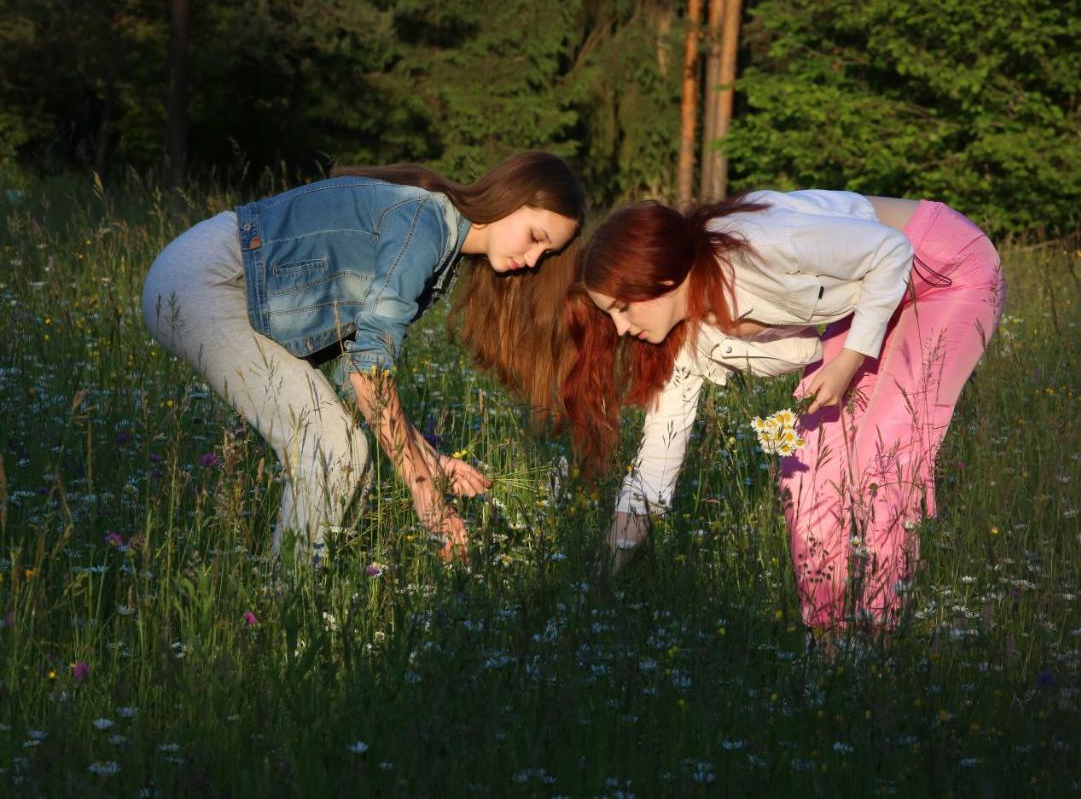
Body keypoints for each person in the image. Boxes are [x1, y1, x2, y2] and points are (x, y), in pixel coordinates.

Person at [561, 190, 1005, 643]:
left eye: (621, 307)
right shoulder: (683, 343)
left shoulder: (757, 245)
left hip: (945, 269)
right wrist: (599, 579)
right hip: (872, 299)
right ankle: (829, 642)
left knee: (882, 453)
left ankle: (878, 640)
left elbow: (891, 251)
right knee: (806, 471)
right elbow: (654, 471)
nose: (618, 328)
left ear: (660, 275)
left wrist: (848, 362)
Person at [142, 152, 586, 561]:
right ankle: (281, 605)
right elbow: (368, 370)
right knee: (334, 449)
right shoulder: (425, 224)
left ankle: (295, 597)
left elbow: (359, 366)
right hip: (212, 277)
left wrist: (429, 458)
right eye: (535, 237)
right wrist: (426, 495)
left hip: (227, 280)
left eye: (545, 253)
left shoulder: (438, 238)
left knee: (345, 455)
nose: (531, 261)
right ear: (510, 197)